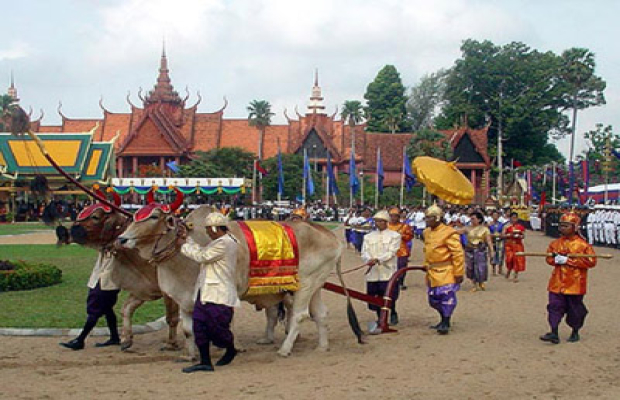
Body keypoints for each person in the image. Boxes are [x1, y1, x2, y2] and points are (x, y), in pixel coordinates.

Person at [179, 212, 241, 373]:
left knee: (217, 329)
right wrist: (188, 239)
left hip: (219, 292)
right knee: (199, 326)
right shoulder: (222, 241)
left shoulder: (225, 243)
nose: (207, 233)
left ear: (215, 228)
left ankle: (230, 348)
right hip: (206, 291)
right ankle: (205, 361)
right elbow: (202, 250)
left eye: (208, 229)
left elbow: (202, 256)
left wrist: (184, 246)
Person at [540, 211, 597, 345]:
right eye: (561, 225)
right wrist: (555, 260)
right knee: (554, 306)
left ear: (575, 227)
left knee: (575, 310)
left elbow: (591, 262)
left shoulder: (583, 245)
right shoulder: (555, 243)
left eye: (566, 225)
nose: (562, 228)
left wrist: (569, 261)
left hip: (575, 283)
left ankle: (575, 331)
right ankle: (554, 332)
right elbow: (548, 258)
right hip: (557, 282)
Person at [60, 251, 121, 350]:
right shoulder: (108, 246)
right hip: (107, 281)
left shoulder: (118, 247)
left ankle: (80, 340)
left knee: (94, 310)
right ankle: (114, 337)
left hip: (106, 281)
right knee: (107, 309)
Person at [422, 204, 465, 335]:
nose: (426, 220)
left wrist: (458, 272)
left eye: (429, 218)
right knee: (433, 299)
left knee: (446, 297)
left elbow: (457, 254)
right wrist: (425, 264)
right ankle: (442, 318)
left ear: (437, 218)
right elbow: (427, 250)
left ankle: (446, 322)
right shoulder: (426, 232)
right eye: (426, 218)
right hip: (432, 271)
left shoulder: (449, 232)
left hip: (446, 270)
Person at [362, 210, 401, 330]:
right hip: (373, 271)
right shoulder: (368, 237)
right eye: (376, 221)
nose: (378, 223)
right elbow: (364, 252)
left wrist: (378, 259)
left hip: (387, 271)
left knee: (389, 295)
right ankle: (380, 317)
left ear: (386, 222)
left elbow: (392, 252)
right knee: (374, 296)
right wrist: (369, 259)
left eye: (381, 221)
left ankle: (392, 313)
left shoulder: (395, 236)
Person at [464, 212, 494, 292]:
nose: (472, 220)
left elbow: (489, 241)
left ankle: (480, 282)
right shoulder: (467, 228)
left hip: (480, 250)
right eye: (471, 219)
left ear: (479, 219)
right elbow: (456, 232)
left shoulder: (485, 229)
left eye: (473, 219)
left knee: (481, 267)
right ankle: (474, 284)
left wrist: (492, 251)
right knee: (470, 267)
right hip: (469, 250)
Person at [387, 207, 414, 290]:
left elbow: (410, 237)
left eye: (395, 216)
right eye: (392, 216)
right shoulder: (386, 226)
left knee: (402, 268)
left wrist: (402, 235)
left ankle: (401, 283)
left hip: (401, 250)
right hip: (389, 250)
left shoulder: (405, 226)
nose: (393, 218)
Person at [503, 212, 526, 282]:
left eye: (515, 218)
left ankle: (515, 276)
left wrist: (519, 236)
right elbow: (503, 235)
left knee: (518, 259)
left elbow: (523, 235)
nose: (514, 219)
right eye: (513, 218)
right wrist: (510, 235)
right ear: (510, 218)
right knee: (510, 259)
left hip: (518, 245)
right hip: (509, 245)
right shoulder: (506, 226)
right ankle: (508, 271)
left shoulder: (520, 227)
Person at [489, 210, 505, 276]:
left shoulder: (501, 224)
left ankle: (500, 269)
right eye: (494, 215)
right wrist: (492, 235)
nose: (495, 217)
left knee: (501, 255)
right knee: (493, 255)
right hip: (492, 241)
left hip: (500, 241)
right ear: (491, 216)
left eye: (496, 215)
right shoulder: (489, 224)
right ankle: (493, 270)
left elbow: (503, 232)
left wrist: (501, 235)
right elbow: (487, 233)